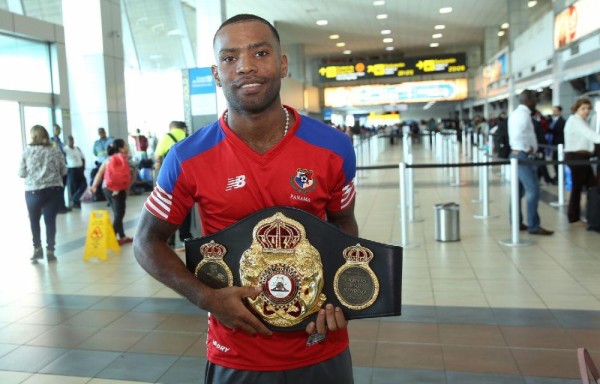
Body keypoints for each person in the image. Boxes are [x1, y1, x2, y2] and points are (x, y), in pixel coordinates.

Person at [134, 14, 357, 384]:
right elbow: (145, 242)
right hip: (236, 353)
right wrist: (207, 298)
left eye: (261, 52)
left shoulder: (333, 147)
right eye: (230, 58)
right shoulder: (187, 157)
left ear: (282, 64)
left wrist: (341, 294)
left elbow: (343, 223)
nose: (246, 67)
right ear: (216, 73)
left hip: (320, 345)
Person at [18, 125, 67, 263]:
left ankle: (37, 249)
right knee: (50, 221)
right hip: (53, 191)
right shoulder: (54, 150)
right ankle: (50, 250)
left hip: (33, 192)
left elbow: (21, 173)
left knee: (34, 221)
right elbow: (64, 170)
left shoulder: (27, 152)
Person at [508, 90, 554, 235]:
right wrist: (528, 149)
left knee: (517, 191)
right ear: (528, 100)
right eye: (535, 99)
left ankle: (516, 222)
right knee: (533, 190)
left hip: (517, 155)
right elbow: (518, 135)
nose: (536, 102)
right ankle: (534, 225)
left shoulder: (517, 113)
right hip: (522, 156)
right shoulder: (523, 115)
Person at [154, 120, 191, 251]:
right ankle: (185, 239)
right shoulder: (189, 137)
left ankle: (169, 241)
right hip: (188, 179)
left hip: (170, 179)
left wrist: (157, 166)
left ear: (171, 127)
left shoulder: (166, 137)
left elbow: (158, 156)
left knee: (170, 210)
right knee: (186, 211)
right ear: (183, 128)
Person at [89, 138, 135, 245]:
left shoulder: (108, 159)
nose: (127, 148)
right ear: (121, 149)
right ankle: (111, 238)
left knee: (116, 212)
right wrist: (127, 188)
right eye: (126, 146)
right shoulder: (128, 160)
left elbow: (100, 173)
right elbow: (132, 176)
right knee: (120, 214)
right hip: (119, 190)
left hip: (107, 188)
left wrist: (94, 186)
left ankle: (122, 236)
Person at [563, 98, 600, 223]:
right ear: (576, 109)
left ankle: (592, 214)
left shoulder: (582, 121)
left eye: (588, 108)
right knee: (578, 188)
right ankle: (574, 217)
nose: (586, 111)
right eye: (583, 108)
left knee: (592, 186)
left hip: (583, 158)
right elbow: (591, 135)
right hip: (576, 157)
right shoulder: (575, 120)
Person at [90, 127, 114, 201]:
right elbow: (95, 153)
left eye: (102, 132)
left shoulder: (110, 140)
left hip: (109, 163)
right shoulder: (96, 143)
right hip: (100, 163)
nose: (101, 134)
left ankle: (110, 198)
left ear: (105, 132)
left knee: (109, 180)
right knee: (94, 175)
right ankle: (97, 196)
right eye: (99, 132)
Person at [64, 135, 87, 208]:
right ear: (67, 141)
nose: (71, 141)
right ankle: (76, 203)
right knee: (73, 187)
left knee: (84, 184)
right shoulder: (65, 149)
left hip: (79, 168)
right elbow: (63, 159)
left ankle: (74, 199)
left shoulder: (77, 148)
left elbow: (83, 158)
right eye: (70, 140)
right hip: (71, 169)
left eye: (72, 140)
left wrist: (83, 167)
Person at [550, 105, 566, 181]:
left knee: (557, 160)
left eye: (555, 110)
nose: (554, 112)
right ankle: (557, 175)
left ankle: (559, 176)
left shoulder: (562, 121)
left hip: (559, 144)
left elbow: (559, 133)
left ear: (559, 111)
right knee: (554, 160)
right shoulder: (554, 121)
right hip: (555, 143)